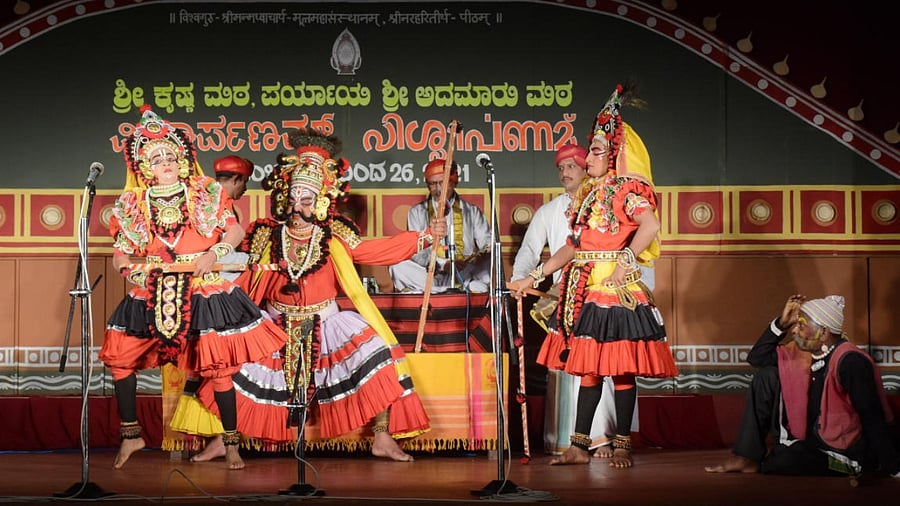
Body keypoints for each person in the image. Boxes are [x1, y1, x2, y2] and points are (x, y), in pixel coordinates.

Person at [207, 127, 447, 462]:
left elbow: (370, 251)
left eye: (305, 200)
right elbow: (248, 279)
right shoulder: (267, 234)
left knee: (381, 357)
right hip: (276, 323)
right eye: (292, 198)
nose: (297, 206)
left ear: (320, 200)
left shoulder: (332, 234)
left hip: (327, 321)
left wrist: (421, 238)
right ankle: (226, 438)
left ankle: (382, 437)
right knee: (229, 360)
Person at [99, 106, 288, 470]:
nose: (166, 162)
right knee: (120, 357)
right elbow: (120, 251)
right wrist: (127, 269)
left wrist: (214, 252)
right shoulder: (131, 204)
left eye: (170, 155)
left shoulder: (205, 192)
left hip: (202, 285)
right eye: (156, 158)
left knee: (218, 367)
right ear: (144, 167)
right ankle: (131, 433)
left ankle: (231, 443)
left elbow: (233, 231)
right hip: (153, 287)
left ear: (183, 160)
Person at [509, 83, 678, 468]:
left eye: (598, 151)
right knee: (587, 370)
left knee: (618, 371)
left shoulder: (625, 190)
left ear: (615, 153)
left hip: (613, 291)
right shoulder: (588, 195)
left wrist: (625, 263)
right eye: (592, 152)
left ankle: (621, 443)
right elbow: (572, 246)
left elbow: (649, 226)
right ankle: (578, 447)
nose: (589, 159)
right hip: (583, 288)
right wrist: (534, 277)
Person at [511, 143, 639, 458]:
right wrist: (522, 279)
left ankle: (605, 437)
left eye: (572, 166)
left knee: (607, 364)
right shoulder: (550, 211)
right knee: (568, 366)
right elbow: (531, 250)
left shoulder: (605, 204)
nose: (565, 173)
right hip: (561, 296)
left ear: (586, 168)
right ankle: (569, 440)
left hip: (600, 293)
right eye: (561, 168)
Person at [705, 294, 900, 478]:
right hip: (810, 439)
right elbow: (757, 358)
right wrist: (781, 324)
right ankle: (747, 457)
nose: (794, 330)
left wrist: (892, 467)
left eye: (801, 325)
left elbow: (871, 414)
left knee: (789, 458)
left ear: (823, 332)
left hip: (842, 449)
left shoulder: (850, 361)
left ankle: (859, 465)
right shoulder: (801, 354)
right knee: (767, 376)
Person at [389, 158, 491, 293]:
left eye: (442, 183)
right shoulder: (417, 212)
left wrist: (477, 256)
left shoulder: (471, 211)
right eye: (432, 184)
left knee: (488, 261)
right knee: (396, 265)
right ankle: (447, 291)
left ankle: (434, 292)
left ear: (454, 182)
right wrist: (442, 265)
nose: (438, 189)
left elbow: (487, 243)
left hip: (464, 272)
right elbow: (416, 251)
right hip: (430, 273)